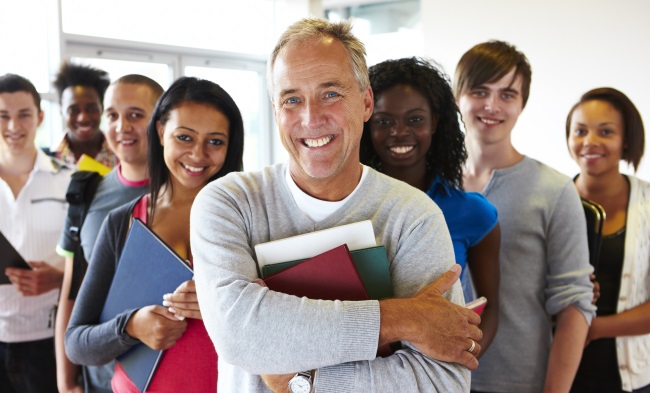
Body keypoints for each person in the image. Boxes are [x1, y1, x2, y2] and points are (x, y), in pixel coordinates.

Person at [191, 18, 482, 393]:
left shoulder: (413, 216)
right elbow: (238, 333)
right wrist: (402, 317)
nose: (311, 118)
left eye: (331, 93)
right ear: (276, 111)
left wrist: (306, 382)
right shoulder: (228, 203)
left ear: (365, 102)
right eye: (292, 99)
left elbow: (442, 382)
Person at [65, 76, 244, 392]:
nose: (198, 154)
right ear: (161, 132)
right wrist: (131, 326)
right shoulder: (123, 222)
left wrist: (225, 307)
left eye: (215, 141)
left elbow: (280, 324)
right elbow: (78, 343)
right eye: (184, 137)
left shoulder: (249, 219)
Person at [453, 40, 596, 393]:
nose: (492, 106)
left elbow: (575, 306)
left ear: (522, 104)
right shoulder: (429, 186)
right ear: (458, 97)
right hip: (436, 376)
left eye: (507, 94)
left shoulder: (555, 190)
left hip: (519, 380)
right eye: (480, 91)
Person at [359, 56, 500, 357]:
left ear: (434, 122)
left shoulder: (474, 213)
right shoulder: (346, 204)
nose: (399, 132)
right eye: (384, 121)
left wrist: (461, 362)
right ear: (366, 122)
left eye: (414, 119)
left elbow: (491, 308)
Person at [54, 74, 164, 393]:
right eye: (112, 115)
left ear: (161, 122)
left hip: (166, 373)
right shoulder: (86, 192)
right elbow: (71, 292)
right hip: (101, 376)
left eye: (135, 115)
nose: (121, 127)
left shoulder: (189, 194)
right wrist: (66, 381)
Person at [566, 87, 650, 393]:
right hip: (555, 374)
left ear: (626, 139)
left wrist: (594, 328)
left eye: (605, 131)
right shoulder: (551, 201)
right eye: (580, 131)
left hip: (631, 380)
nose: (590, 141)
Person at [0, 73, 72, 392]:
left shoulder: (70, 182)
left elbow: (92, 258)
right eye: (3, 116)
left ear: (40, 117)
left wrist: (58, 276)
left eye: (23, 115)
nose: (13, 126)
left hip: (49, 338)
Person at [51, 61, 117, 168]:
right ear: (61, 112)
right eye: (73, 110)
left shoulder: (121, 156)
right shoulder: (49, 160)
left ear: (102, 108)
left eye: (91, 109)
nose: (83, 118)